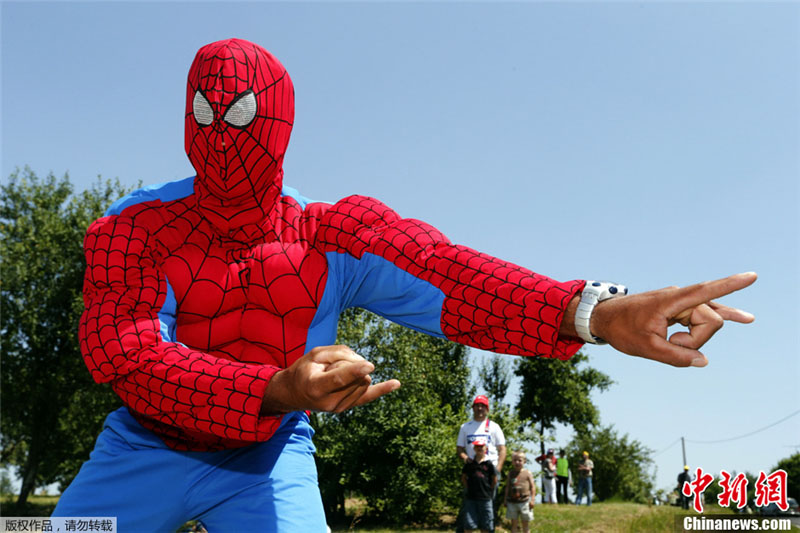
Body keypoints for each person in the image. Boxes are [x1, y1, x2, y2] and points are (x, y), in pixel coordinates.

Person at [52, 37, 757, 532]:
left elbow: (449, 275)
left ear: (276, 122)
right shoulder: (132, 227)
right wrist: (276, 388)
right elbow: (125, 352)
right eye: (202, 115)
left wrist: (592, 311)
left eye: (238, 116)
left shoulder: (330, 234)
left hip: (269, 456)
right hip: (142, 446)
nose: (219, 136)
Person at [456, 395, 506, 531]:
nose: (479, 408)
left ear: (487, 409)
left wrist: (498, 469)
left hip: (489, 472)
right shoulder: (465, 427)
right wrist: (465, 457)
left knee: (489, 507)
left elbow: (502, 449)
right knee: (467, 505)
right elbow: (459, 448)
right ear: (473, 408)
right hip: (471, 473)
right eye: (477, 405)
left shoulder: (494, 427)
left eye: (483, 406)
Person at [461, 438, 497, 533]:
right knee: (469, 524)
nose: (479, 448)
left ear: (486, 448)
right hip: (471, 498)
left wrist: (489, 490)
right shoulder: (469, 464)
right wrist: (468, 488)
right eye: (477, 446)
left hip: (485, 498)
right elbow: (464, 477)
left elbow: (494, 479)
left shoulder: (489, 464)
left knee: (486, 525)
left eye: (481, 446)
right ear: (474, 448)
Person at [504, 451, 536, 533]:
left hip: (524, 502)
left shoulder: (527, 473)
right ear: (512, 461)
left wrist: (532, 500)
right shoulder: (511, 473)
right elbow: (507, 487)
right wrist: (505, 499)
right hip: (512, 502)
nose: (517, 462)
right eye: (515, 460)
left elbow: (532, 486)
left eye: (519, 460)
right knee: (514, 524)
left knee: (525, 524)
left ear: (524, 461)